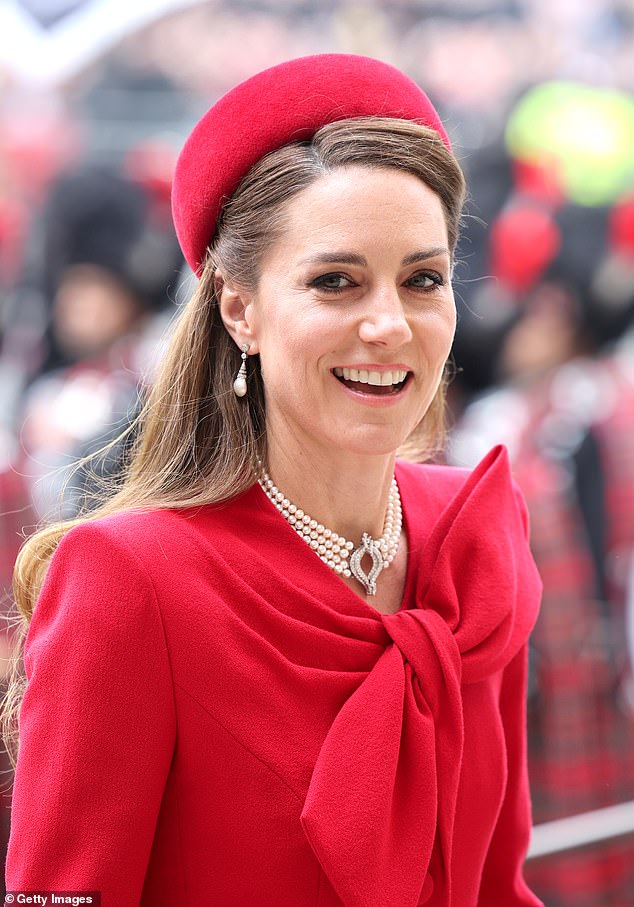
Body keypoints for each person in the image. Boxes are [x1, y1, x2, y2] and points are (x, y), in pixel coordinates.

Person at [2, 55, 543, 907]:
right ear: (238, 307)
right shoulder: (130, 578)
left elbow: (499, 883)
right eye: (336, 281)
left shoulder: (477, 531)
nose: (388, 324)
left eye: (423, 279)